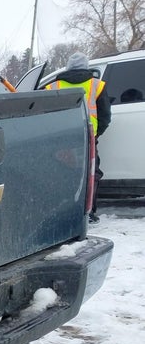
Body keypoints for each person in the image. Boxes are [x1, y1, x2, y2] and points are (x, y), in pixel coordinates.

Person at [45, 52, 111, 223]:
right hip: (87, 138)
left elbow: (45, 116)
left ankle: (63, 209)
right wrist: (95, 135)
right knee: (91, 174)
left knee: (63, 173)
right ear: (86, 66)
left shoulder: (53, 86)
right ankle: (88, 212)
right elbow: (105, 117)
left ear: (68, 67)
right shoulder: (97, 85)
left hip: (62, 139)